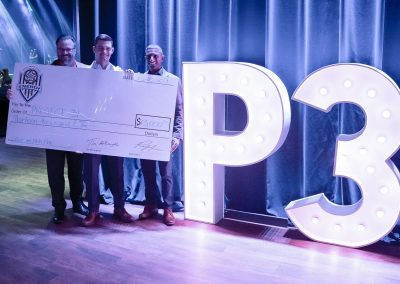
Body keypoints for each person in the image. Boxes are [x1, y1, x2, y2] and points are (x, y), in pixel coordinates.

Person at [82, 34, 134, 227]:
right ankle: (93, 211)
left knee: (117, 171)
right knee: (91, 173)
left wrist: (130, 81)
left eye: (107, 48)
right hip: (92, 131)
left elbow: (128, 99)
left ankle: (119, 208)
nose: (104, 51)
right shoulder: (84, 73)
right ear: (93, 49)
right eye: (100, 47)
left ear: (112, 51)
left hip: (114, 131)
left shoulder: (121, 73)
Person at [45, 35, 89, 223]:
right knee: (54, 172)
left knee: (76, 170)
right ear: (57, 50)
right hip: (53, 131)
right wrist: (12, 94)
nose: (65, 52)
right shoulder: (46, 72)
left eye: (68, 49)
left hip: (77, 130)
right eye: (62, 49)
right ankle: (58, 208)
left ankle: (77, 202)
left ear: (75, 50)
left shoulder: (87, 71)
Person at [138, 44, 183, 226]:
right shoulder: (140, 80)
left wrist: (177, 135)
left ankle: (168, 208)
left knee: (166, 175)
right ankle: (150, 205)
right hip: (144, 135)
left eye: (155, 56)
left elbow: (179, 111)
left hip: (164, 135)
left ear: (162, 57)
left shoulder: (173, 80)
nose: (151, 60)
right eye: (148, 56)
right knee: (147, 173)